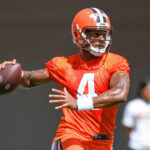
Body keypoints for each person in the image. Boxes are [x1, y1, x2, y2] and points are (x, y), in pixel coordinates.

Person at [0, 7, 130, 150]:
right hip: (72, 136)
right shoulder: (65, 65)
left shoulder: (115, 62)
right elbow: (29, 80)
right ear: (78, 34)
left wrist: (78, 103)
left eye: (104, 33)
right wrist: (12, 72)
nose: (101, 39)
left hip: (104, 141)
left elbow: (120, 93)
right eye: (96, 33)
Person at [122, 77, 150, 150]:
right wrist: (131, 141)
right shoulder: (133, 105)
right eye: (148, 90)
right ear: (142, 90)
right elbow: (128, 126)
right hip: (137, 145)